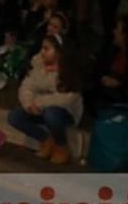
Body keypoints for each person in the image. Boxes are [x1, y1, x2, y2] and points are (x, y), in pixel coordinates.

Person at [8, 33, 84, 164]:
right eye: (42, 48)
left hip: (65, 112)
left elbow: (65, 99)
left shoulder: (67, 71)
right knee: (15, 116)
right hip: (40, 108)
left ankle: (61, 146)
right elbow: (26, 87)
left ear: (58, 52)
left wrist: (39, 102)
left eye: (47, 49)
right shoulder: (38, 64)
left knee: (51, 114)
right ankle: (46, 139)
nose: (42, 52)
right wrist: (28, 104)